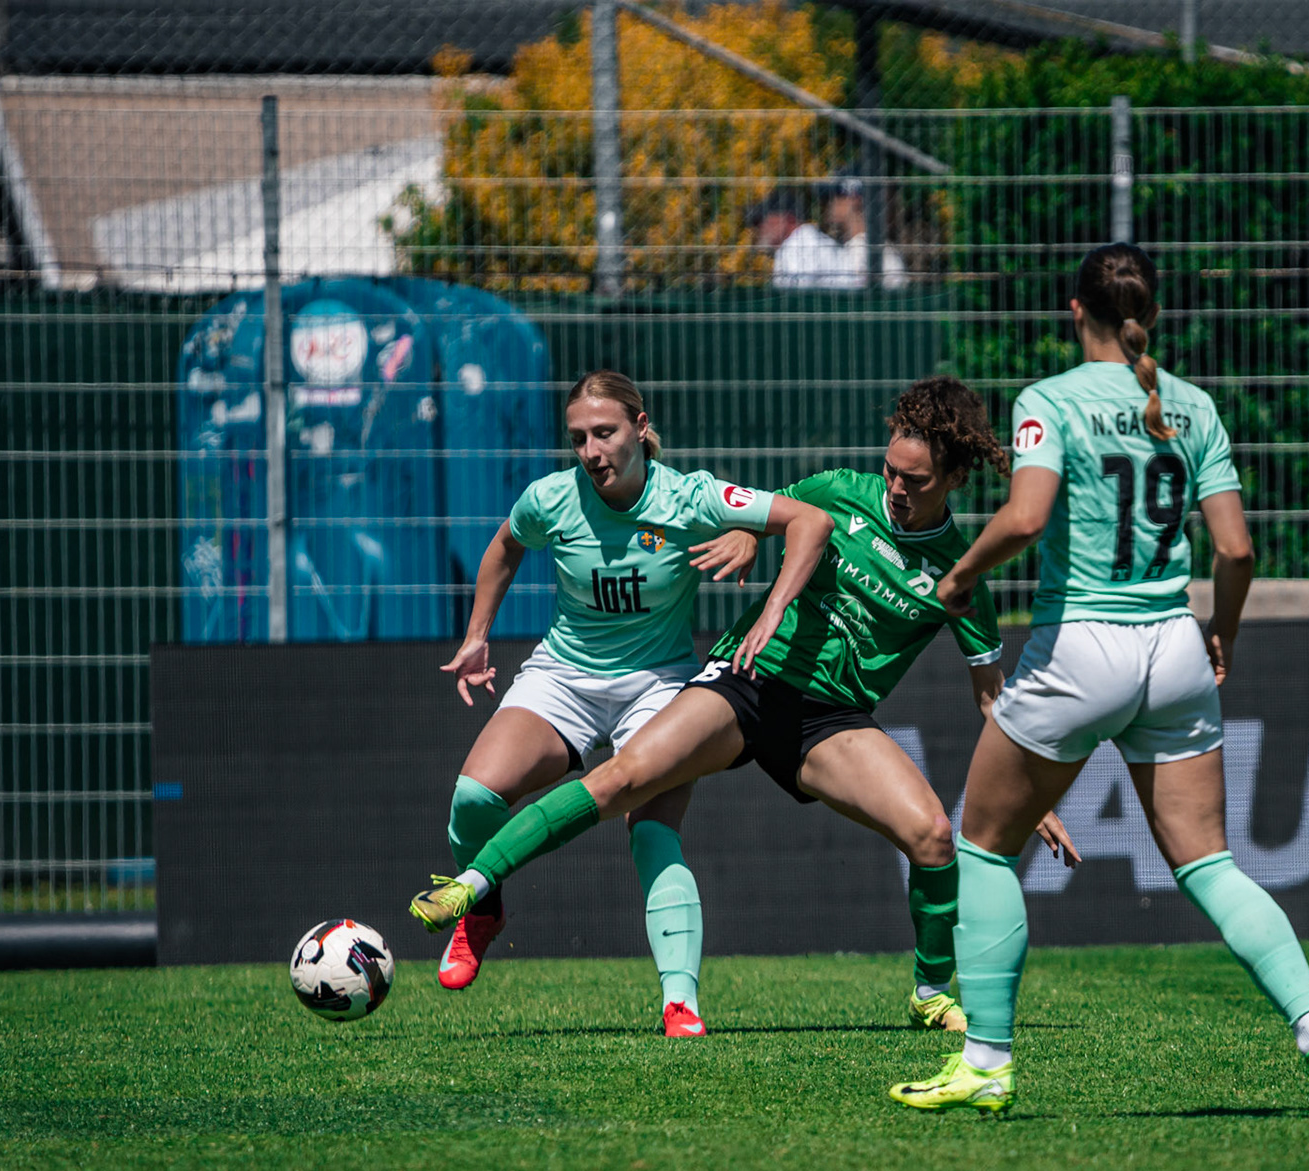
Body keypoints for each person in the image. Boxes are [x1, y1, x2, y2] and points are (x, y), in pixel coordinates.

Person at [411, 376, 1075, 1032]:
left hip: (829, 720)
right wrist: (750, 540)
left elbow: (992, 700)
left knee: (932, 837)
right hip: (746, 680)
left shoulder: (963, 570)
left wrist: (1032, 791)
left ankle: (929, 993)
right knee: (618, 779)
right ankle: (475, 888)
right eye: (891, 471)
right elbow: (768, 514)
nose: (897, 490)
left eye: (917, 481)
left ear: (956, 478)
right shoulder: (842, 491)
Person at [888, 243, 1309, 1118]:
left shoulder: (1051, 400)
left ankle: (987, 1062)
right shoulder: (1190, 405)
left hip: (1085, 649)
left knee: (987, 842)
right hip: (1175, 649)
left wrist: (957, 579)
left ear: (1075, 312)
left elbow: (1027, 517)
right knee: (1212, 862)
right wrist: (1221, 630)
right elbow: (1236, 550)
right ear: (1149, 310)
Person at [430, 368, 833, 1038]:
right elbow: (505, 546)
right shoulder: (550, 499)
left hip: (660, 686)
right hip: (565, 676)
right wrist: (477, 636)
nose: (591, 451)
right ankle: (485, 908)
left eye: (606, 433)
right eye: (579, 437)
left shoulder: (689, 496)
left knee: (651, 833)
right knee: (473, 799)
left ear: (641, 431)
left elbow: (811, 520)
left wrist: (761, 571)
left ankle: (681, 1003)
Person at [821, 171, 909, 290]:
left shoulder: (865, 251)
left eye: (836, 195)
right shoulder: (863, 246)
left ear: (854, 200)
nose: (830, 203)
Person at [746, 189, 847, 290]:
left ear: (788, 218)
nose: (759, 227)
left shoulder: (799, 246)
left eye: (763, 219)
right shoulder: (805, 240)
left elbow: (799, 300)